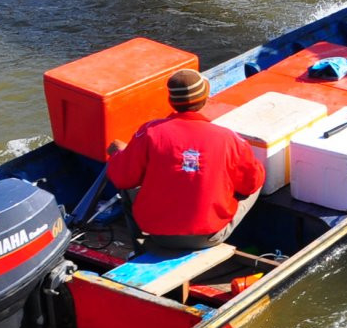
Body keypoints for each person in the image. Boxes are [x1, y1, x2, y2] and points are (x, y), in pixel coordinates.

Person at [105, 70, 262, 251]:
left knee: (128, 181)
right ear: (204, 99)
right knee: (256, 181)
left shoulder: (149, 133)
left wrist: (119, 154)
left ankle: (140, 248)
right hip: (209, 235)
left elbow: (122, 178)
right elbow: (251, 183)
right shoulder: (228, 138)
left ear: (171, 101)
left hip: (158, 234)